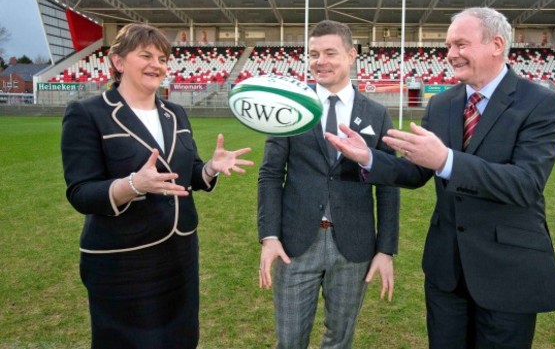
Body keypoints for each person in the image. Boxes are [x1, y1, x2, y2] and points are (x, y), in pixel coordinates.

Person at [327, 7, 555, 349]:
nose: (450, 54)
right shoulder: (442, 104)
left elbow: (525, 184)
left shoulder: (542, 104)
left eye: (460, 44)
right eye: (448, 46)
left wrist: (447, 160)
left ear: (496, 44)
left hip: (507, 271)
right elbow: (416, 172)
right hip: (446, 269)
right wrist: (367, 156)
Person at [61, 23, 253, 349]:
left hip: (179, 256)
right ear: (119, 62)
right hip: (123, 260)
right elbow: (81, 192)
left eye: (163, 58)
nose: (157, 64)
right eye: (146, 55)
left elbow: (186, 173)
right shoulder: (87, 113)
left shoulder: (176, 113)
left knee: (180, 339)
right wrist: (134, 184)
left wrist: (209, 169)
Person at [257, 20, 400, 349]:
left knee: (340, 339)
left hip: (354, 246)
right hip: (296, 243)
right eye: (314, 54)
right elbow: (269, 174)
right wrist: (269, 236)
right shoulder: (290, 108)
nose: (320, 61)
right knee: (290, 340)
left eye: (330, 53)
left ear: (351, 56)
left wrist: (385, 249)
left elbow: (388, 184)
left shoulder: (377, 115)